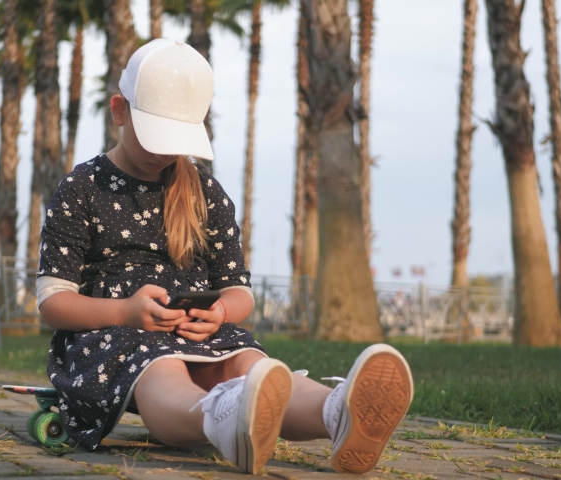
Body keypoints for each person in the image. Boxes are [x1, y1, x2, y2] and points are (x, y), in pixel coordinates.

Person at [36, 38, 414, 475]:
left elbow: (240, 292)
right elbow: (54, 303)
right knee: (162, 369)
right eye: (156, 135)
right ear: (119, 110)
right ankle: (222, 417)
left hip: (201, 332)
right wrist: (125, 312)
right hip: (117, 335)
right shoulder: (81, 187)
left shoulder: (204, 192)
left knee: (252, 367)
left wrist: (220, 311)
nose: (164, 151)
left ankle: (335, 413)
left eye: (176, 139)